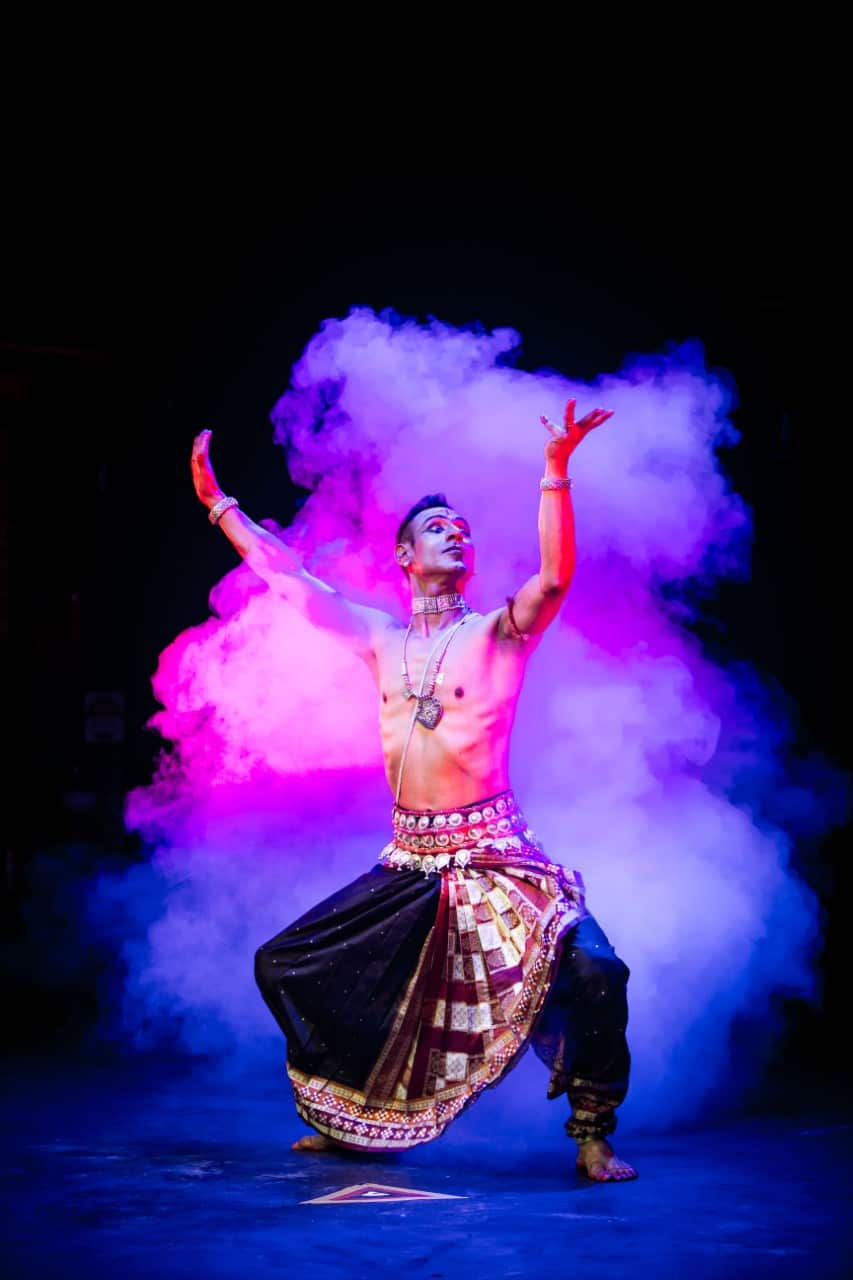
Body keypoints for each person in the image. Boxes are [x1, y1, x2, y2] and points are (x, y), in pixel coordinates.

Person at [190, 397, 636, 1182]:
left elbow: (554, 577)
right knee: (285, 964)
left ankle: (593, 1132)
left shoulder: (497, 633)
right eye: (437, 526)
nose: (455, 532)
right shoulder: (379, 639)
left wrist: (555, 471)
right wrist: (220, 507)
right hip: (410, 862)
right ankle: (346, 1116)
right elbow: (289, 580)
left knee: (598, 974)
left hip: (497, 858)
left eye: (462, 527)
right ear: (404, 555)